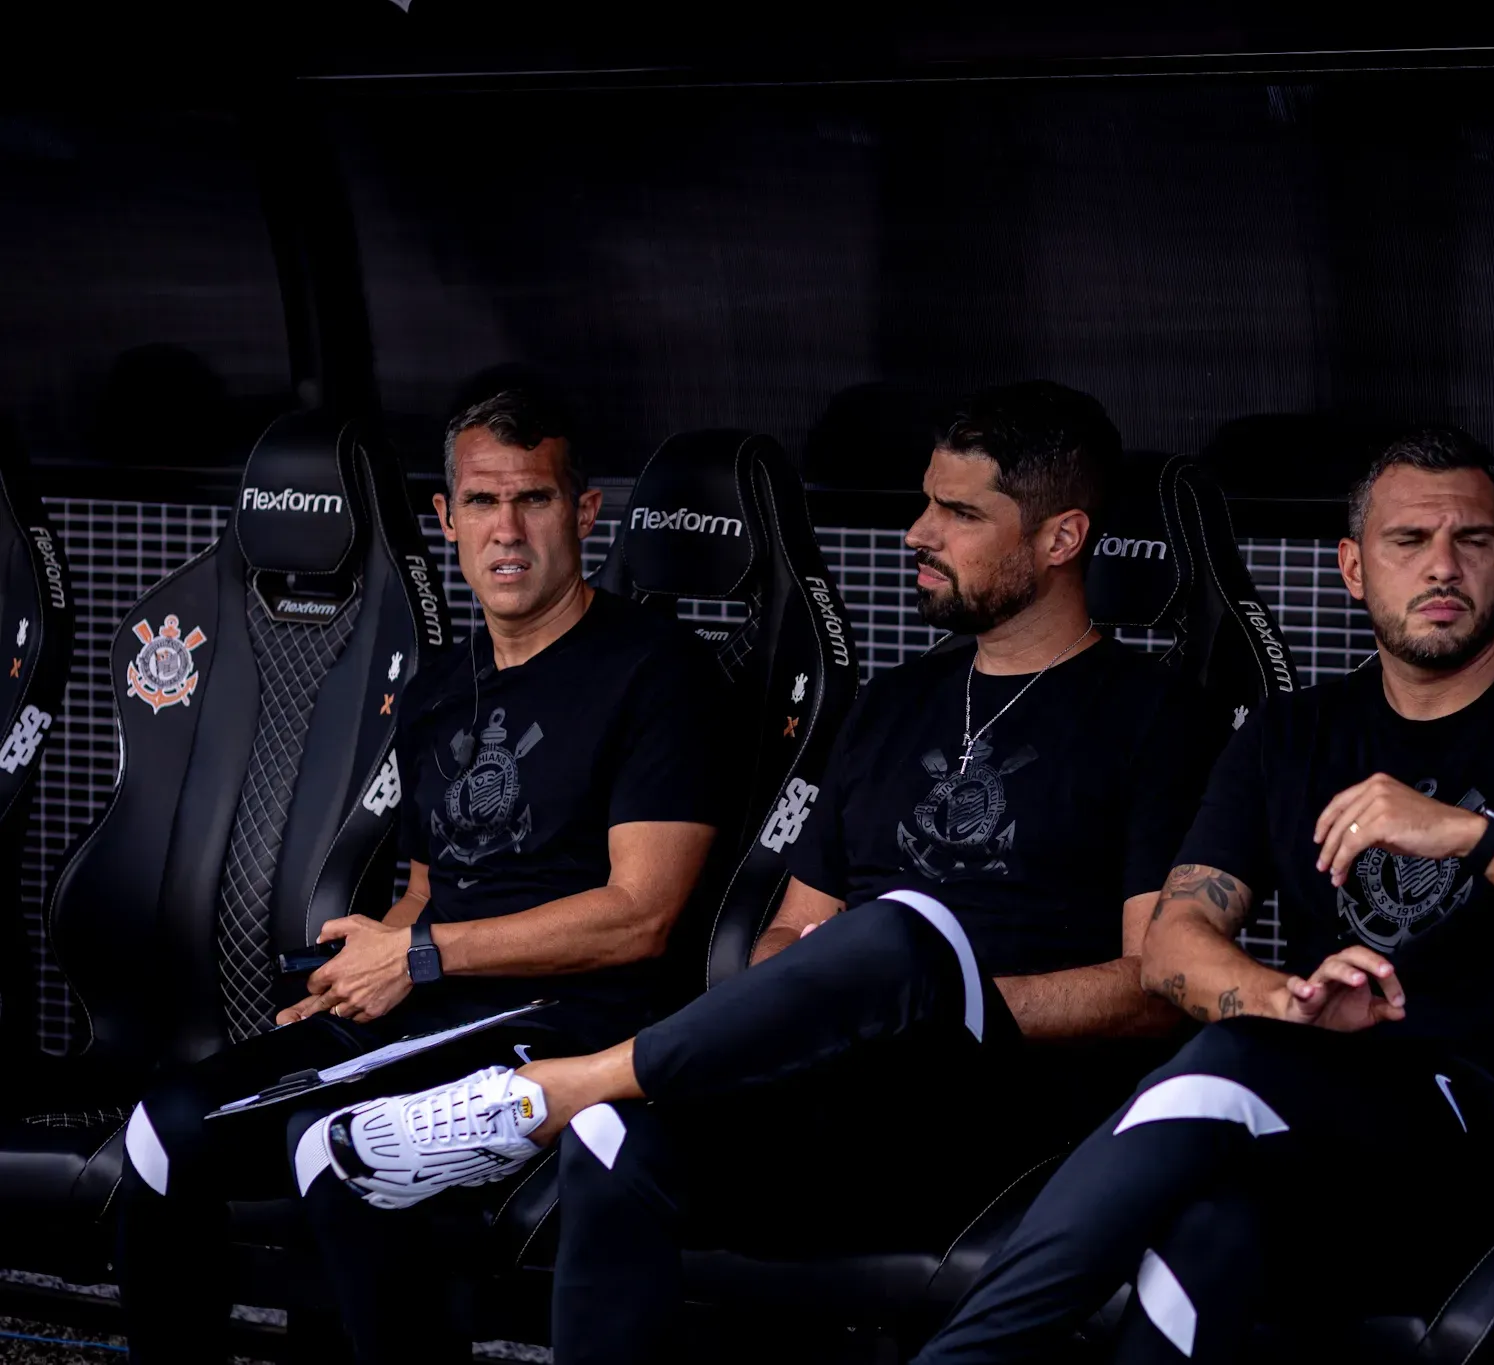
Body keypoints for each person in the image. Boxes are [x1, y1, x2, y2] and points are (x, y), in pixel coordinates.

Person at [316, 380, 1229, 1364]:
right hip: (838, 1092)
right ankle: (583, 1102)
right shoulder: (889, 704)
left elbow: (1156, 985)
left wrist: (925, 995)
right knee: (616, 1147)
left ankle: (567, 1083)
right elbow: (790, 933)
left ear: (1059, 540)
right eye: (923, 502)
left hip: (999, 1103)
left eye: (959, 514)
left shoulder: (1156, 720)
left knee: (897, 932)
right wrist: (844, 1001)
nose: (917, 532)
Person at [906, 427, 1494, 1363]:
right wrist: (1289, 1004)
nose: (1443, 566)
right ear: (1353, 568)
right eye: (1409, 542)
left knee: (1232, 1061)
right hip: (1331, 1134)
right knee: (1211, 1224)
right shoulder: (1293, 735)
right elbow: (1175, 945)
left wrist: (1474, 835)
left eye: (1474, 541)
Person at [113, 388, 734, 1364]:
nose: (508, 531)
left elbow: (638, 917)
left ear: (584, 512)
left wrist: (421, 955)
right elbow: (425, 881)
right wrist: (366, 964)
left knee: (339, 1146)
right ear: (446, 519)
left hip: (565, 1027)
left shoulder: (659, 672)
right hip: (430, 1009)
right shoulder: (442, 681)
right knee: (161, 1132)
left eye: (534, 499)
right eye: (483, 504)